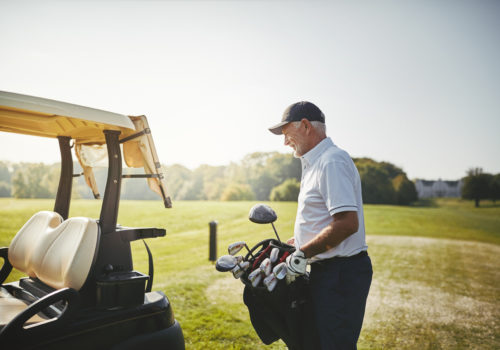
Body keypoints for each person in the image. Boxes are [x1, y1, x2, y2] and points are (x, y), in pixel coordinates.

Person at [268, 101, 372, 350]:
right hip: (328, 272)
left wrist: (302, 253)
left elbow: (347, 223)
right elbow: (324, 220)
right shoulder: (316, 163)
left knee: (335, 345)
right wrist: (299, 243)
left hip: (340, 275)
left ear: (304, 126)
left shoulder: (331, 161)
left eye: (286, 134)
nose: (285, 143)